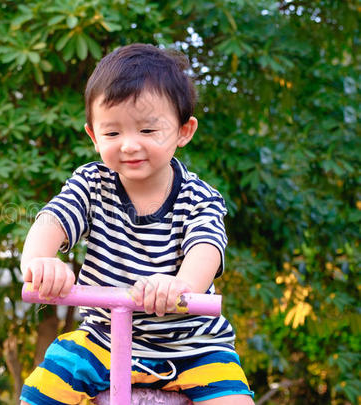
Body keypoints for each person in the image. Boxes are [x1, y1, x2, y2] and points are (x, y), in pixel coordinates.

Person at [19, 43, 254, 405]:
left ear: (183, 131)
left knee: (232, 399)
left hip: (190, 345)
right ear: (94, 137)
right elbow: (51, 221)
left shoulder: (199, 197)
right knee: (41, 390)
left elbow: (206, 248)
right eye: (113, 134)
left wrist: (182, 285)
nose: (129, 145)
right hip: (104, 340)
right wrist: (40, 262)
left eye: (147, 130)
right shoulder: (91, 184)